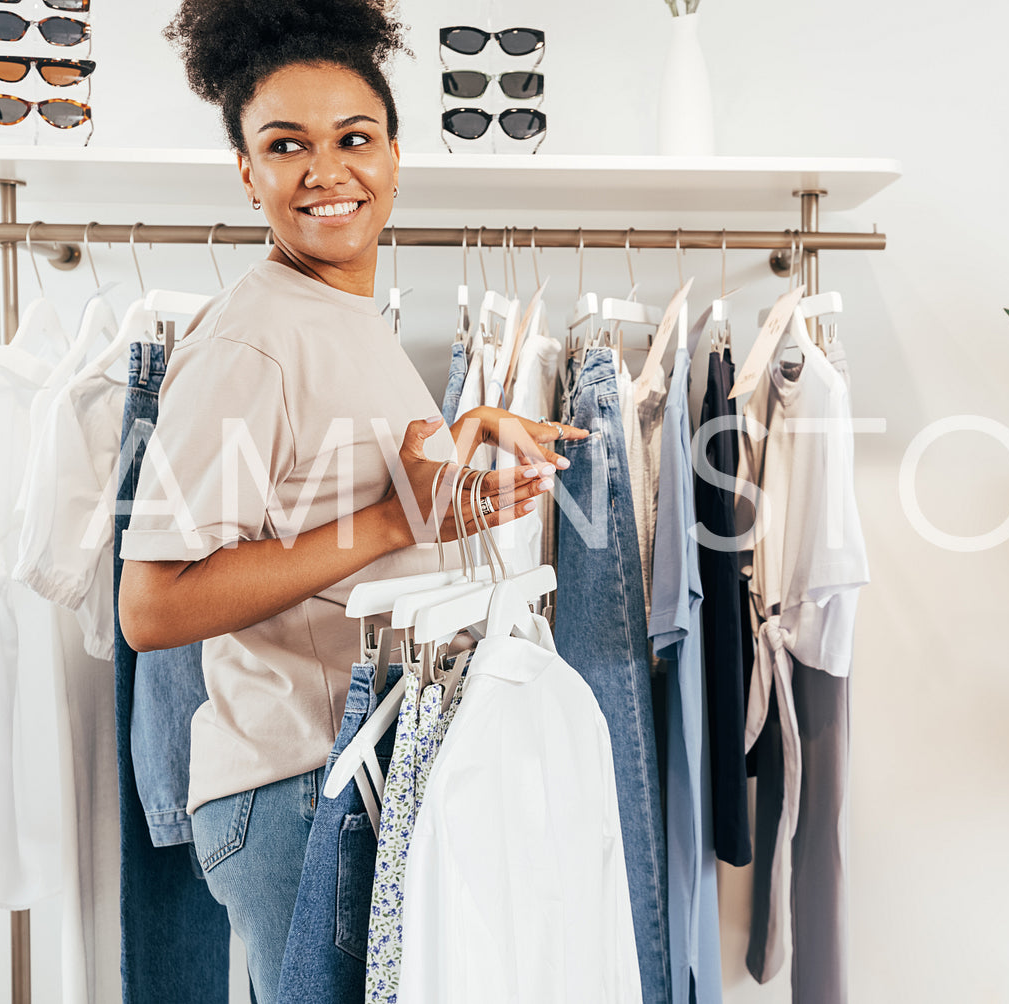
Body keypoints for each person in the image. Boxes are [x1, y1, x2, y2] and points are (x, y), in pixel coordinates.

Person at [117, 1, 586, 998]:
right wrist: (392, 518)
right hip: (295, 789)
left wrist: (453, 453)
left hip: (350, 773)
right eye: (286, 146)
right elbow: (153, 605)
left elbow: (324, 496)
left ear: (396, 155)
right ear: (247, 173)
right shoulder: (251, 334)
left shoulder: (338, 312)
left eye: (353, 139)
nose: (327, 174)